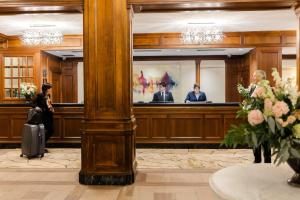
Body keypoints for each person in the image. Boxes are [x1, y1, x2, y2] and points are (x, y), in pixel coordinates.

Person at [249, 70, 271, 163]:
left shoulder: (266, 87)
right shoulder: (253, 87)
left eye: (255, 76)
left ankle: (267, 161)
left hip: (265, 119)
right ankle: (257, 160)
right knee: (255, 140)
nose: (253, 77)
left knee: (266, 141)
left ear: (261, 77)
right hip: (254, 117)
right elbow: (252, 101)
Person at [32, 83, 54, 153]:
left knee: (51, 130)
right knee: (44, 131)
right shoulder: (40, 95)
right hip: (43, 115)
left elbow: (48, 104)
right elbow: (32, 103)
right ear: (45, 89)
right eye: (49, 89)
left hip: (49, 115)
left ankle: (42, 145)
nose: (49, 90)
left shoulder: (48, 95)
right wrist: (36, 107)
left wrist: (51, 107)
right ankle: (41, 146)